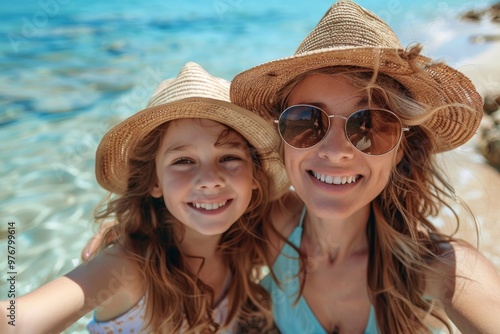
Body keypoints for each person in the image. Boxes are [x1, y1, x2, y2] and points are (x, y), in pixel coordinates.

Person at [230, 1, 500, 333]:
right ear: (281, 138)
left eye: (371, 125)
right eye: (306, 121)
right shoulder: (265, 224)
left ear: (401, 149)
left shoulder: (438, 269)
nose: (336, 151)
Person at [0, 62, 289, 334]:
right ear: (154, 181)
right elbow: (19, 320)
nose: (210, 180)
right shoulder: (128, 264)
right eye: (184, 161)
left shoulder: (247, 242)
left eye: (228, 157)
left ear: (254, 175)